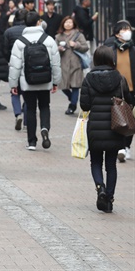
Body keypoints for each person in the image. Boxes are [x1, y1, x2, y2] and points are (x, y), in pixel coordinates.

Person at [80, 46, 134, 213]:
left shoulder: (89, 78)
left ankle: (100, 188)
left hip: (95, 126)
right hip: (114, 126)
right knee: (111, 164)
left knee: (95, 161)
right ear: (112, 59)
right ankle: (109, 197)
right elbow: (130, 100)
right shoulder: (119, 78)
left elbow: (85, 105)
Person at [9, 11, 61, 151]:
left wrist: (13, 85)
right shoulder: (48, 39)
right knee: (44, 106)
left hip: (27, 81)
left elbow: (15, 65)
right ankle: (45, 128)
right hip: (45, 80)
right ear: (39, 22)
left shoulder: (20, 42)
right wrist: (56, 82)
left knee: (30, 109)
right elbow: (55, 63)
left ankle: (32, 142)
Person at [103, 20, 135, 162]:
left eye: (128, 29)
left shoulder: (133, 49)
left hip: (131, 90)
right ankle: (119, 146)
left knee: (130, 120)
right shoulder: (109, 48)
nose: (127, 32)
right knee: (117, 118)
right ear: (117, 33)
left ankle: (126, 146)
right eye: (124, 29)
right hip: (115, 90)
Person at [55, 16, 88, 115]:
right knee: (63, 86)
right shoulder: (58, 36)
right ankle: (71, 98)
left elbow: (85, 47)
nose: (68, 24)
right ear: (63, 24)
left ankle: (72, 106)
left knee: (75, 86)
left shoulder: (79, 35)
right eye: (66, 22)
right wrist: (59, 49)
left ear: (73, 24)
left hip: (76, 64)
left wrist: (76, 45)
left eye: (70, 22)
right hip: (63, 64)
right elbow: (53, 50)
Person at [3, 9, 29, 130]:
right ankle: (26, 122)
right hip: (29, 65)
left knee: (15, 91)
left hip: (14, 64)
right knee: (28, 94)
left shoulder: (9, 32)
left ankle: (18, 114)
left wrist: (10, 59)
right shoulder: (30, 32)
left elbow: (4, 50)